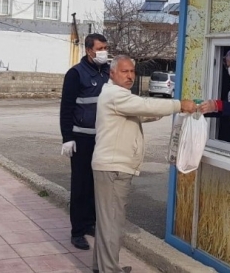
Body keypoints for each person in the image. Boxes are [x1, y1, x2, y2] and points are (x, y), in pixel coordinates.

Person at [91, 55, 197, 273]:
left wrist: (159, 113)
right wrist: (178, 105)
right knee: (112, 225)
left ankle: (101, 267)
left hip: (111, 167)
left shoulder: (118, 96)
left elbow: (142, 112)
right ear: (112, 73)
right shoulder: (115, 95)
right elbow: (144, 105)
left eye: (132, 71)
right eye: (124, 71)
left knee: (107, 223)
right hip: (113, 168)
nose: (130, 76)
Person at [60, 33, 109, 250]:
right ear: (89, 50)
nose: (104, 52)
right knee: (80, 185)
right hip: (81, 138)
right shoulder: (75, 74)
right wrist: (67, 138)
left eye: (106, 47)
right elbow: (66, 108)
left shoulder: (108, 72)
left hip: (103, 138)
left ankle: (89, 223)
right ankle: (77, 231)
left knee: (96, 184)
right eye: (100, 48)